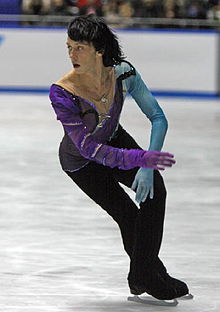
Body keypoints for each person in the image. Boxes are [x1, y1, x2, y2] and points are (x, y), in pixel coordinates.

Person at [49, 14, 190, 301]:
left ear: (99, 50)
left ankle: (142, 276)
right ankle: (149, 276)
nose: (71, 54)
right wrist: (140, 158)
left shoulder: (123, 73)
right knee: (126, 214)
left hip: (113, 137)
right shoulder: (62, 92)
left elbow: (158, 117)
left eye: (79, 47)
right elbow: (89, 149)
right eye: (68, 47)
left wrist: (148, 165)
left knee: (155, 192)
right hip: (81, 162)